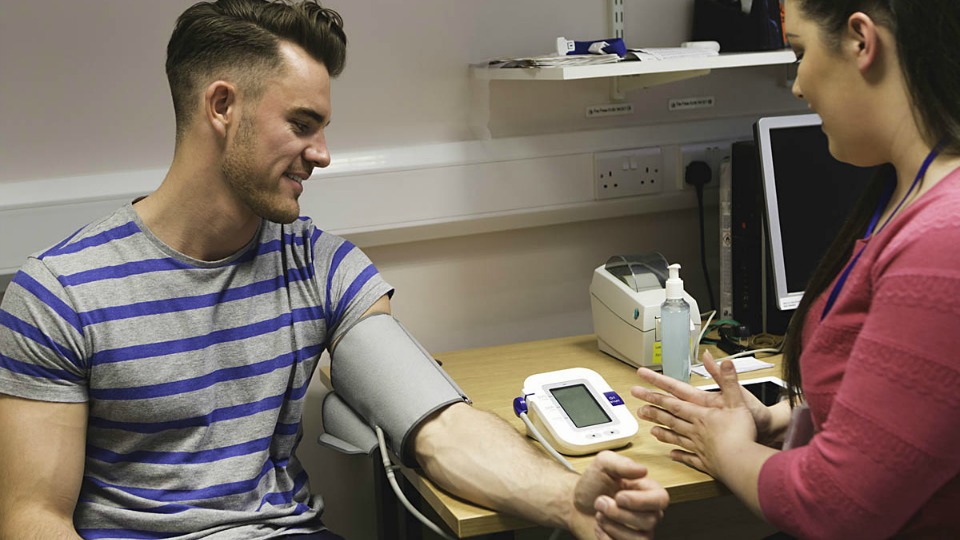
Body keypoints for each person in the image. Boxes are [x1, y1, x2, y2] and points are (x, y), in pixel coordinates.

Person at [0, 1, 670, 539]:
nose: (322, 154)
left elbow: (437, 422)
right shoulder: (59, 296)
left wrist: (568, 501)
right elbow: (33, 520)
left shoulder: (317, 263)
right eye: (302, 124)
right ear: (222, 106)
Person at [631, 0, 960, 537]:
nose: (798, 86)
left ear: (861, 41)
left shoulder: (943, 241)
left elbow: (833, 507)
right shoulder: (904, 193)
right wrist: (779, 418)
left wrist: (727, 448)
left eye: (799, 52)